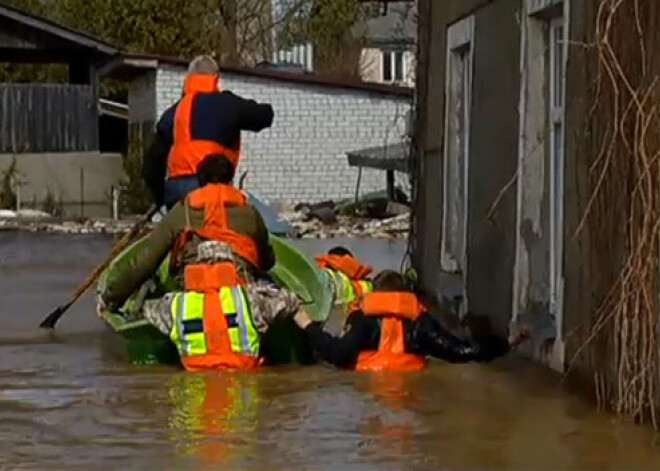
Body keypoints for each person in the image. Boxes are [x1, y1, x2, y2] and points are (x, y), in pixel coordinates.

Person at [99, 155, 299, 370]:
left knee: (144, 302)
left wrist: (111, 297)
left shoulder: (183, 211)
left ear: (200, 181)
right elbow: (267, 262)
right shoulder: (249, 212)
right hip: (242, 300)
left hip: (193, 302)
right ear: (231, 180)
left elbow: (144, 262)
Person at [293, 270, 529, 371]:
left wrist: (307, 325)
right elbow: (461, 351)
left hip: (366, 386)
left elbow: (337, 354)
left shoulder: (363, 319)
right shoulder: (420, 322)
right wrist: (507, 343)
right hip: (408, 386)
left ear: (375, 295)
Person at [143, 55, 274, 208]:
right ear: (216, 77)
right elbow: (264, 116)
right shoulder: (227, 105)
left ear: (189, 79)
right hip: (211, 189)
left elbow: (152, 163)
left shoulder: (173, 112)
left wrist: (160, 197)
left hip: (176, 191)